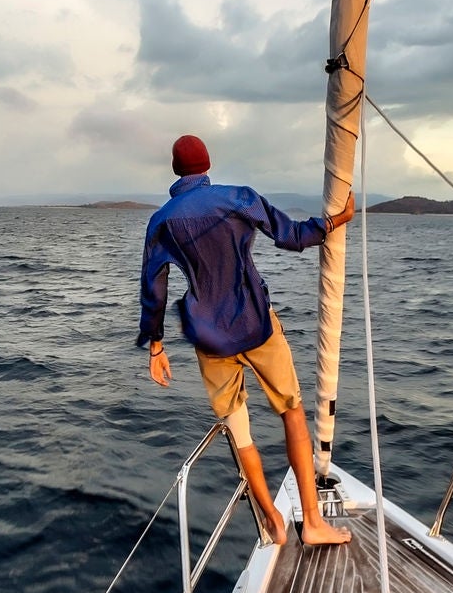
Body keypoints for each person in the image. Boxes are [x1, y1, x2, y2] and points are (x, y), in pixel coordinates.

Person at [138, 134, 354, 546]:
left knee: (240, 432)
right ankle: (311, 522)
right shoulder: (237, 197)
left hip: (209, 338)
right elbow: (290, 235)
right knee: (291, 412)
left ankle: (271, 517)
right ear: (207, 164)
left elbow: (155, 287)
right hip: (256, 323)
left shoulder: (161, 221)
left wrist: (156, 347)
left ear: (174, 170)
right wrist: (332, 222)